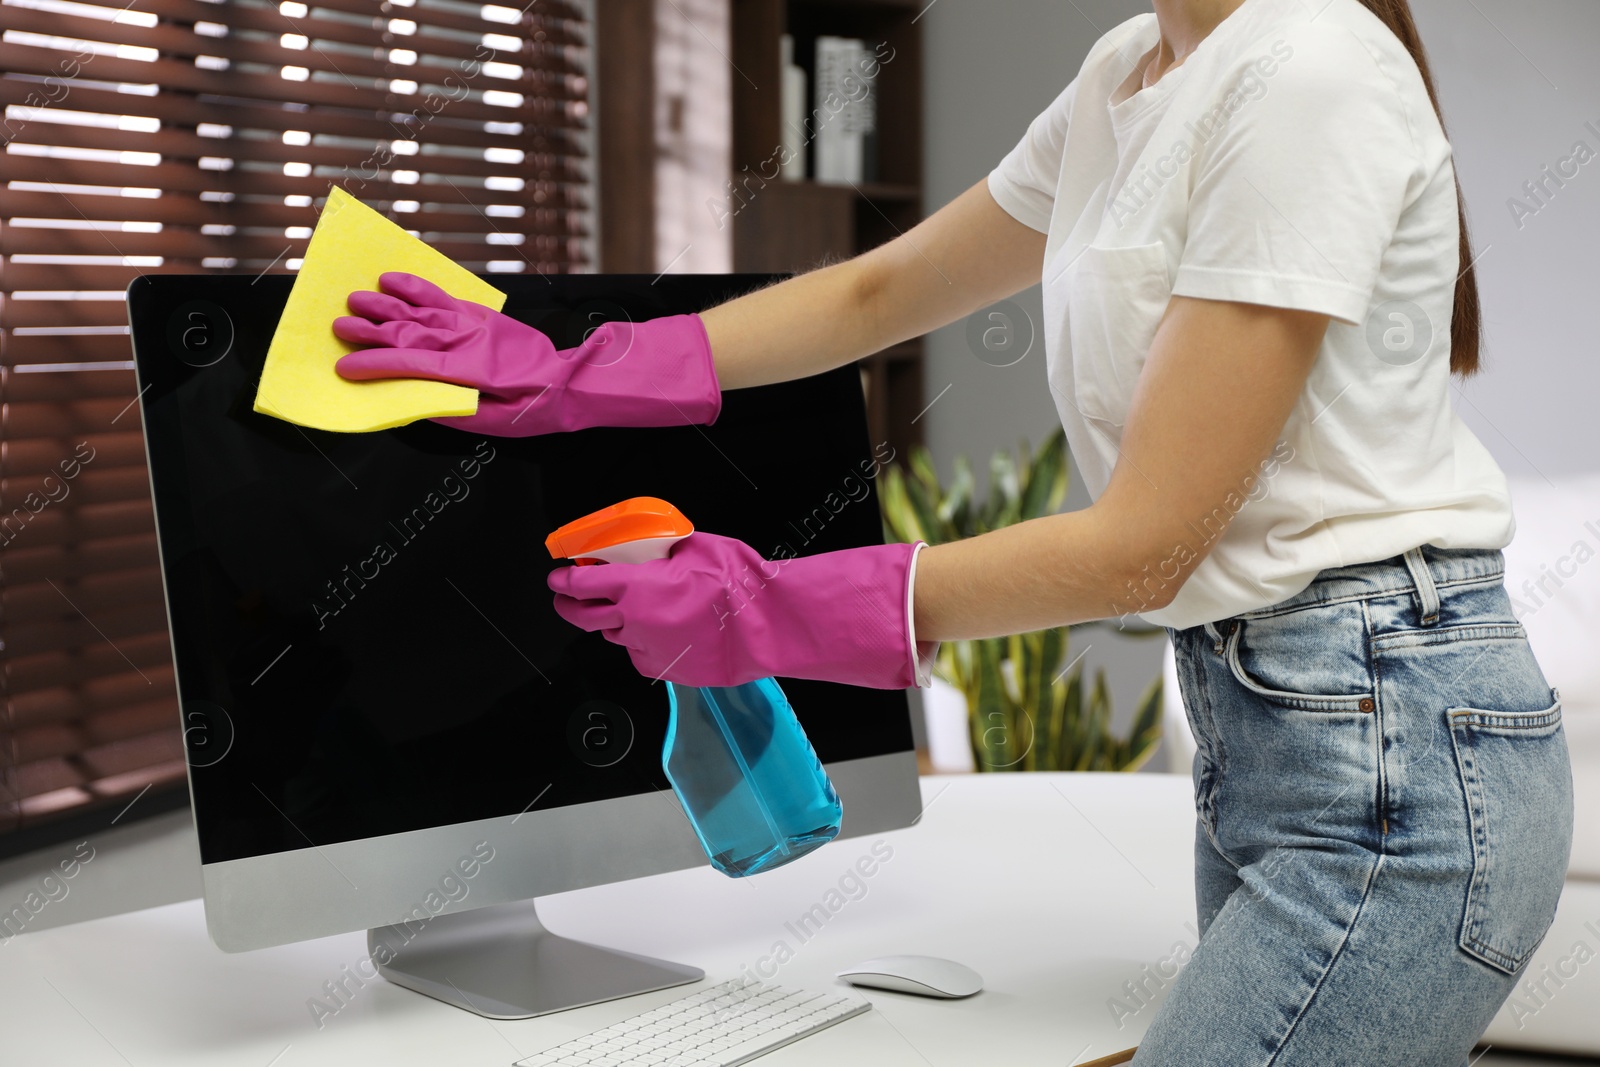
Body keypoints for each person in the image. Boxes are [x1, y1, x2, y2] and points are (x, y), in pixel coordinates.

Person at [331, 0, 1573, 1061]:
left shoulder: (1309, 72)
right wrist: (574, 369)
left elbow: (1145, 542)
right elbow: (886, 288)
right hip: (1281, 727)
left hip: (1392, 745)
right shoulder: (1130, 68)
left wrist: (758, 607)